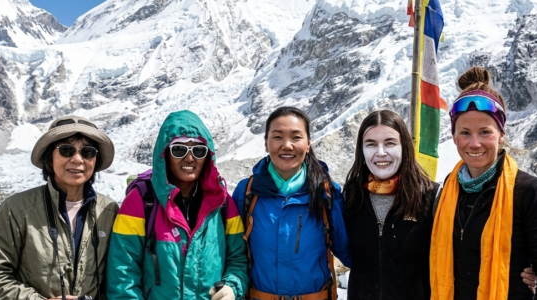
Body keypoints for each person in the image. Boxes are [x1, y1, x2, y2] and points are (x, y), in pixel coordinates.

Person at [430, 66, 537, 300]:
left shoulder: (529, 191)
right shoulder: (446, 191)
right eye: (465, 133)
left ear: (501, 134)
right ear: (453, 137)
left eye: (484, 132)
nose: (474, 143)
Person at [106, 110, 248, 299]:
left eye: (198, 150)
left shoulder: (222, 204)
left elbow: (238, 259)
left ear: (207, 157)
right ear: (164, 154)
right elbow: (123, 272)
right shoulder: (140, 201)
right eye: (179, 149)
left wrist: (232, 287)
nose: (190, 158)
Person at [0, 115, 119, 300]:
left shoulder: (110, 211)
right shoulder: (16, 210)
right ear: (49, 158)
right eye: (67, 150)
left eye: (88, 152)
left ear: (95, 161)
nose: (77, 159)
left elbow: (121, 277)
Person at [231, 106, 351, 300]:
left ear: (309, 143)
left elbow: (350, 251)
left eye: (296, 137)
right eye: (277, 137)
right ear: (266, 143)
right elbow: (232, 253)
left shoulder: (327, 192)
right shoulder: (247, 193)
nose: (287, 145)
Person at [343, 110, 437, 300]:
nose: (381, 153)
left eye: (390, 143)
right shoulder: (351, 198)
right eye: (371, 144)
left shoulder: (430, 197)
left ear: (405, 147)